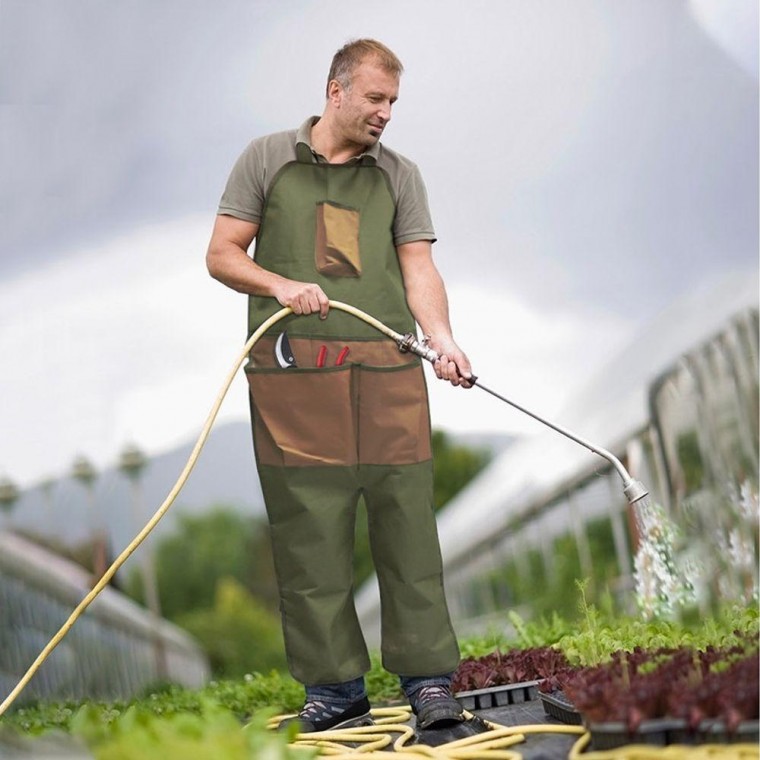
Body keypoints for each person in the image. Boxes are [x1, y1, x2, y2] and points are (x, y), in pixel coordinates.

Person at [206, 38, 473, 733]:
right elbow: (222, 254)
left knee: (408, 526)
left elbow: (418, 269)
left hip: (388, 375)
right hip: (295, 381)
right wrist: (281, 285)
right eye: (375, 99)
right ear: (336, 91)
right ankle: (335, 689)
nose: (386, 113)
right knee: (310, 534)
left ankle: (429, 681)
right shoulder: (267, 159)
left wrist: (441, 337)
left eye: (393, 103)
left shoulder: (399, 176)